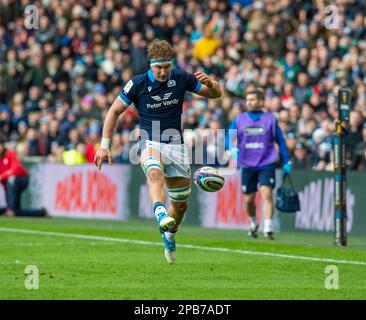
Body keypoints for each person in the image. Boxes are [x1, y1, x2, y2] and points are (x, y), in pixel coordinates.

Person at [94, 39, 221, 264]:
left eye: (166, 67)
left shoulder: (182, 78)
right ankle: (160, 213)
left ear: (171, 64)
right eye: (158, 67)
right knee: (154, 173)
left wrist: (211, 84)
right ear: (150, 65)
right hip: (149, 141)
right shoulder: (137, 83)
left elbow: (216, 95)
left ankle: (170, 235)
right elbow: (114, 112)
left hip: (177, 146)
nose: (163, 72)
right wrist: (104, 146)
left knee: (181, 205)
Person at [226, 89, 291, 240]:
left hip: (266, 163)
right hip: (247, 164)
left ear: (261, 102)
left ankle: (268, 228)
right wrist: (231, 148)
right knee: (249, 199)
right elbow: (228, 136)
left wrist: (287, 160)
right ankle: (253, 222)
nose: (249, 102)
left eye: (253, 99)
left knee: (267, 194)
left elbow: (280, 141)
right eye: (247, 99)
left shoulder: (270, 119)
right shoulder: (239, 118)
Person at [0, 135, 47, 217]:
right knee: (16, 211)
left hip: (21, 178)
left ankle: (10, 209)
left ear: (3, 145)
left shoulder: (10, 153)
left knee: (11, 179)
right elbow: (4, 183)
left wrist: (2, 176)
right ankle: (40, 212)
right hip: (10, 184)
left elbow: (15, 169)